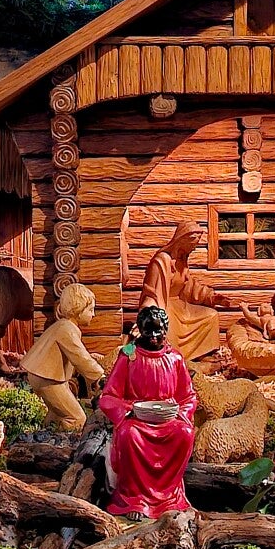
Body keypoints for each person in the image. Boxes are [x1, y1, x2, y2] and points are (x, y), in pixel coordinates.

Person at [99, 304, 198, 518]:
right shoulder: (128, 357)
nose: (153, 337)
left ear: (166, 330)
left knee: (185, 434)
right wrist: (130, 409)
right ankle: (134, 499)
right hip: (137, 420)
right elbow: (108, 397)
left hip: (168, 421)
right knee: (128, 435)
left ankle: (169, 496)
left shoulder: (175, 358)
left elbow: (188, 396)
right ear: (140, 330)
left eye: (158, 331)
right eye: (148, 332)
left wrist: (180, 412)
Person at [140, 221, 232, 361]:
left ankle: (201, 356)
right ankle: (172, 360)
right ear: (183, 240)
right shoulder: (162, 261)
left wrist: (211, 297)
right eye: (193, 243)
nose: (195, 247)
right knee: (165, 324)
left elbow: (189, 286)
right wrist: (148, 315)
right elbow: (152, 293)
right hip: (164, 306)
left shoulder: (182, 260)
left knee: (211, 315)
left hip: (181, 307)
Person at [20, 282, 106, 431]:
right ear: (78, 309)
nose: (93, 314)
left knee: (57, 413)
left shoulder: (64, 326)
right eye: (91, 309)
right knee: (77, 418)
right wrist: (100, 376)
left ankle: (46, 434)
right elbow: (80, 357)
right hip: (47, 378)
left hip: (46, 377)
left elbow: (74, 356)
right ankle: (66, 440)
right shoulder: (66, 329)